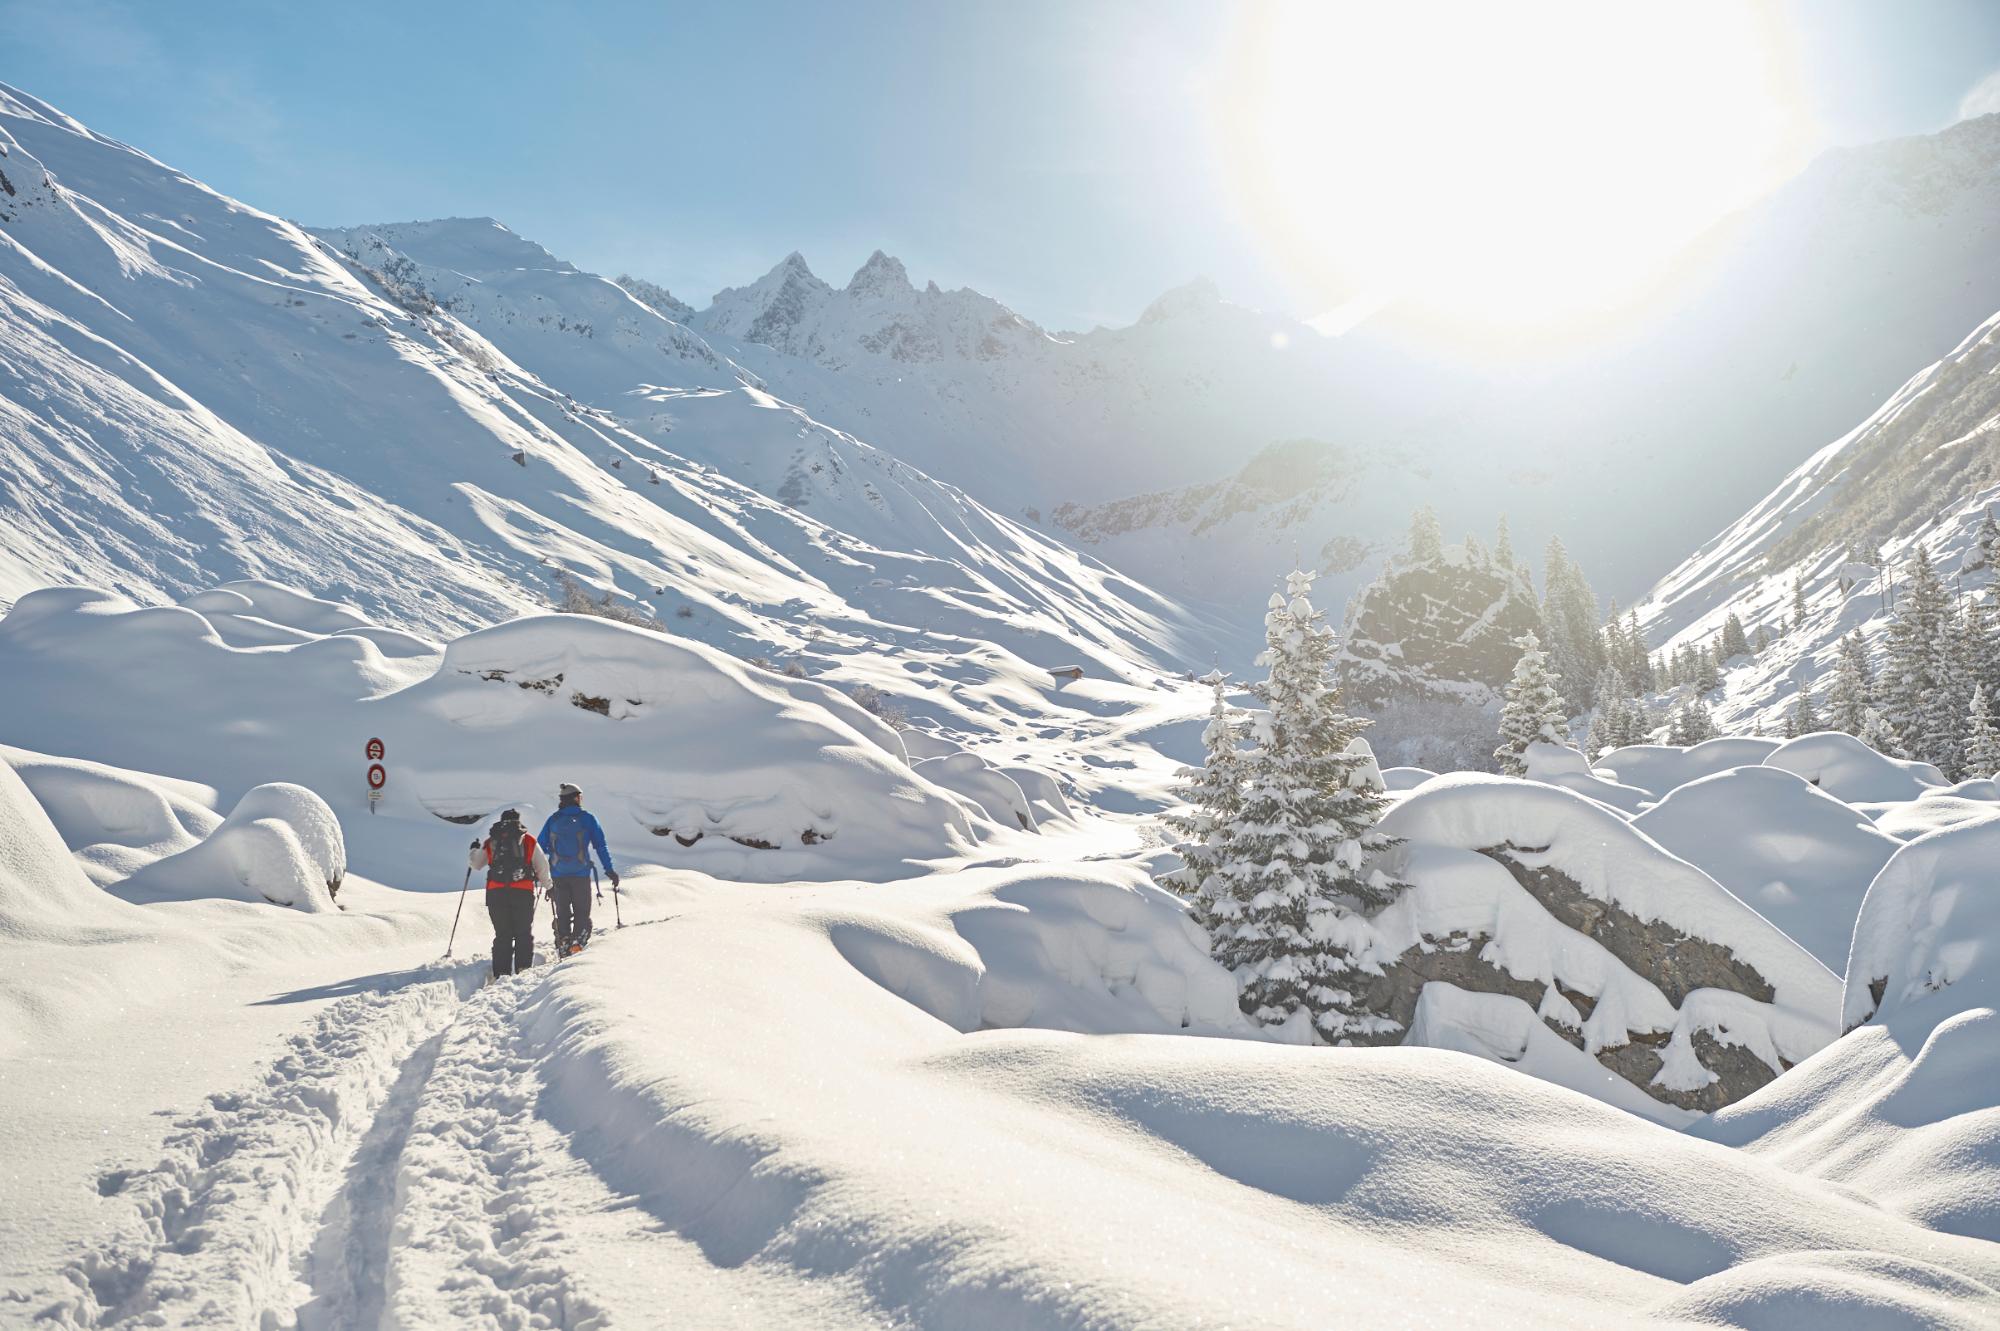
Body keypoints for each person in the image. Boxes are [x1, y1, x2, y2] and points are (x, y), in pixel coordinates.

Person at [469, 808, 551, 978]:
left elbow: (476, 864)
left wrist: (473, 850)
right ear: (518, 821)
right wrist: (549, 886)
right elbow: (542, 866)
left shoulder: (492, 840)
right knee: (523, 933)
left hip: (496, 893)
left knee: (502, 934)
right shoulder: (528, 840)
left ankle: (501, 973)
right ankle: (523, 970)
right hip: (523, 892)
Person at [538, 782, 618, 956]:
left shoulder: (553, 820)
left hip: (558, 875)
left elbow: (539, 847)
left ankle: (563, 941)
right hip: (581, 874)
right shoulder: (587, 818)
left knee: (563, 912)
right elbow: (600, 845)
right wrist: (609, 870)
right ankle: (577, 943)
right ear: (575, 798)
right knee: (582, 912)